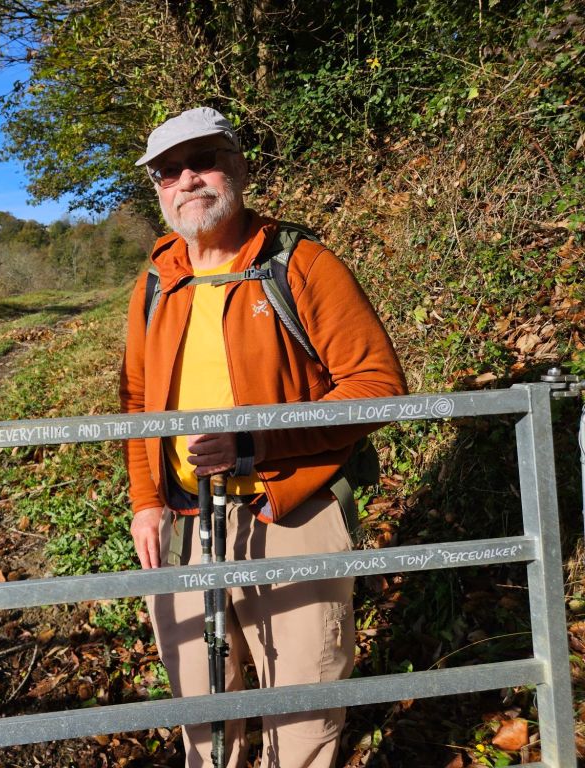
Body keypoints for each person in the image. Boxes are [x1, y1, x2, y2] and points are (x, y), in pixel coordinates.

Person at [119, 107, 407, 768]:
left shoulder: (299, 263)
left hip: (291, 511)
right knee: (201, 712)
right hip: (186, 520)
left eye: (204, 160)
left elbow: (377, 385)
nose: (187, 179)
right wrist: (146, 500)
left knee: (302, 708)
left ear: (240, 167)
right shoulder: (158, 282)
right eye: (168, 171)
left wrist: (256, 441)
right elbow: (136, 401)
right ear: (157, 188)